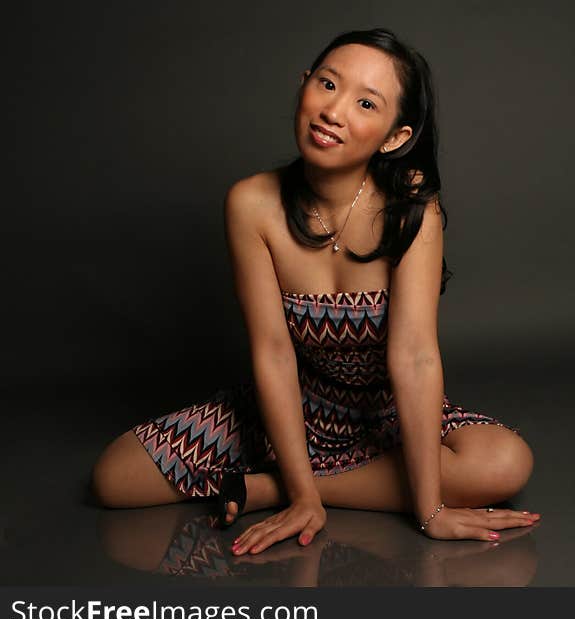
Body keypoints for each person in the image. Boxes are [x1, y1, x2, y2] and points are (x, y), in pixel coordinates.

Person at [91, 27, 538, 556]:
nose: (334, 111)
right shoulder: (252, 203)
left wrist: (430, 509)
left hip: (385, 413)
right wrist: (302, 497)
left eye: (366, 102)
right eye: (327, 84)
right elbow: (274, 353)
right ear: (303, 85)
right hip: (285, 409)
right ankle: (298, 482)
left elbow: (415, 358)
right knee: (112, 479)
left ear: (394, 136)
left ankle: (271, 487)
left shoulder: (413, 206)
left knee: (506, 461)